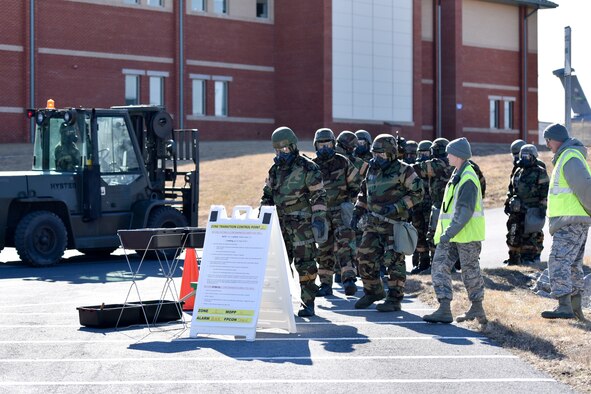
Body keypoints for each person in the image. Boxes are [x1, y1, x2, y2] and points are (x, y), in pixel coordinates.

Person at [351, 134, 424, 312]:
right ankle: (373, 291)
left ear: (391, 153)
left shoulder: (404, 170)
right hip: (372, 224)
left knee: (394, 261)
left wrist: (396, 207)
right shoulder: (372, 170)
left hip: (394, 223)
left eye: (381, 154)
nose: (377, 158)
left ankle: (394, 298)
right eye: (375, 154)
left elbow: (418, 193)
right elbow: (363, 193)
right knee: (363, 256)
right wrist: (357, 212)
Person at [260, 127, 328, 317]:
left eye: (285, 150)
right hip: (279, 225)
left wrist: (319, 219)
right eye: (277, 150)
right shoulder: (274, 170)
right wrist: (262, 218)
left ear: (293, 146)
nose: (281, 154)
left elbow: (319, 195)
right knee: (278, 265)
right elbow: (267, 196)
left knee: (305, 264)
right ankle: (280, 303)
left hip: (302, 225)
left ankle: (307, 302)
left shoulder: (308, 167)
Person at [423, 137, 487, 324]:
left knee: (470, 270)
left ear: (458, 155)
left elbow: (464, 211)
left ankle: (477, 308)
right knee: (439, 266)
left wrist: (449, 232)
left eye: (449, 152)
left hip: (465, 235)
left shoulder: (467, 177)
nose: (447, 156)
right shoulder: (458, 174)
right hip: (452, 235)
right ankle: (444, 308)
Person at [541, 123, 591, 321]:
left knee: (558, 260)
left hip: (570, 221)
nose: (547, 145)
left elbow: (585, 187)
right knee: (572, 264)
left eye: (548, 141)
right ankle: (576, 309)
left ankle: (564, 306)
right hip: (575, 220)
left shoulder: (569, 157)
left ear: (554, 139)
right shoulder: (569, 156)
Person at [312, 128, 360, 297]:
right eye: (321, 144)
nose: (325, 148)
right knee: (324, 249)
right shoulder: (312, 165)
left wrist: (350, 204)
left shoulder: (343, 162)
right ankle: (325, 285)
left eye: (328, 144)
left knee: (345, 245)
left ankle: (348, 280)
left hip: (341, 211)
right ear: (316, 146)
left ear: (333, 144)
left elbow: (357, 184)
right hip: (322, 214)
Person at [412, 138, 454, 273]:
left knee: (434, 236)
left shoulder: (437, 164)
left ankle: (436, 267)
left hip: (438, 206)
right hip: (454, 207)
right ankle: (447, 265)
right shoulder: (456, 162)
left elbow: (414, 170)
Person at [503, 144, 549, 265]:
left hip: (532, 210)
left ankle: (529, 258)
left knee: (531, 235)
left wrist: (542, 209)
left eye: (528, 156)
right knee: (513, 233)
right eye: (523, 156)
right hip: (516, 210)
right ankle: (514, 258)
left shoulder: (540, 172)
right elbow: (511, 189)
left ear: (534, 156)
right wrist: (508, 202)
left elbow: (545, 192)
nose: (525, 158)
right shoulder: (518, 171)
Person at [410, 140, 433, 274]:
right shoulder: (415, 168)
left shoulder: (434, 166)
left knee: (431, 235)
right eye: (421, 152)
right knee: (419, 235)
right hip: (417, 206)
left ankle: (433, 263)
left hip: (430, 207)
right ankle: (422, 262)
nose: (423, 155)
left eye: (426, 152)